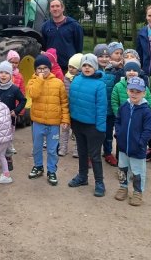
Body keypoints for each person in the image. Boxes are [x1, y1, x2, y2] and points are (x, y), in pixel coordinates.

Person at [68, 54, 108, 197]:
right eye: (84, 65)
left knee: (95, 156)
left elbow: (101, 108)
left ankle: (99, 182)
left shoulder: (99, 84)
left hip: (93, 127)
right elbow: (72, 101)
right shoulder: (76, 80)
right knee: (82, 152)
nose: (86, 68)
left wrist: (101, 128)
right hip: (78, 123)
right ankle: (82, 176)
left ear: (95, 67)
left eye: (90, 65)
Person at [26, 54, 70, 186]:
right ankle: (38, 166)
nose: (42, 71)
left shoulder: (58, 83)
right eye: (39, 68)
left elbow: (64, 103)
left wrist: (65, 120)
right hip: (38, 122)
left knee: (52, 149)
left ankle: (51, 170)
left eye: (45, 68)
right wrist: (39, 79)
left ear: (50, 68)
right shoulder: (32, 82)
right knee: (37, 147)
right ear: (35, 70)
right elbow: (33, 94)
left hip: (54, 124)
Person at [114, 77, 151, 206]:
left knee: (138, 172)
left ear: (144, 93)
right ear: (127, 91)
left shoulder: (146, 111)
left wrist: (141, 142)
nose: (134, 94)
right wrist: (118, 134)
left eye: (138, 92)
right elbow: (118, 121)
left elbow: (149, 130)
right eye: (132, 91)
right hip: (123, 146)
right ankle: (123, 187)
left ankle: (138, 192)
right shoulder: (124, 106)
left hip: (138, 148)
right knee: (122, 168)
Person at [0, 61, 26, 166]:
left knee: (7, 142)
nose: (3, 75)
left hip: (9, 122)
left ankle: (8, 158)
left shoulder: (14, 89)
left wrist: (16, 111)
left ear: (11, 75)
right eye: (1, 72)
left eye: (6, 73)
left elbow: (23, 100)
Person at [41, 0, 84, 73]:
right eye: (52, 6)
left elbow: (79, 46)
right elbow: (43, 45)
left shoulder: (74, 25)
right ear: (50, 10)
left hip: (69, 67)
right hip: (51, 67)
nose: (55, 9)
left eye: (57, 6)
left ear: (62, 8)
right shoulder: (45, 26)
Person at [94, 43, 119, 167]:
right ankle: (92, 154)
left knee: (108, 133)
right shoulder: (92, 71)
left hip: (109, 109)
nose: (104, 59)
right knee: (95, 133)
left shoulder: (114, 72)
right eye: (101, 56)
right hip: (96, 110)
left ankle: (108, 153)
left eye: (107, 56)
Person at [59, 53, 82, 157]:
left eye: (74, 67)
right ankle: (63, 147)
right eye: (70, 67)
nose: (71, 69)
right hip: (67, 107)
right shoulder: (66, 78)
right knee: (64, 128)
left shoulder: (81, 79)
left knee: (77, 130)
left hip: (77, 108)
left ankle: (77, 149)